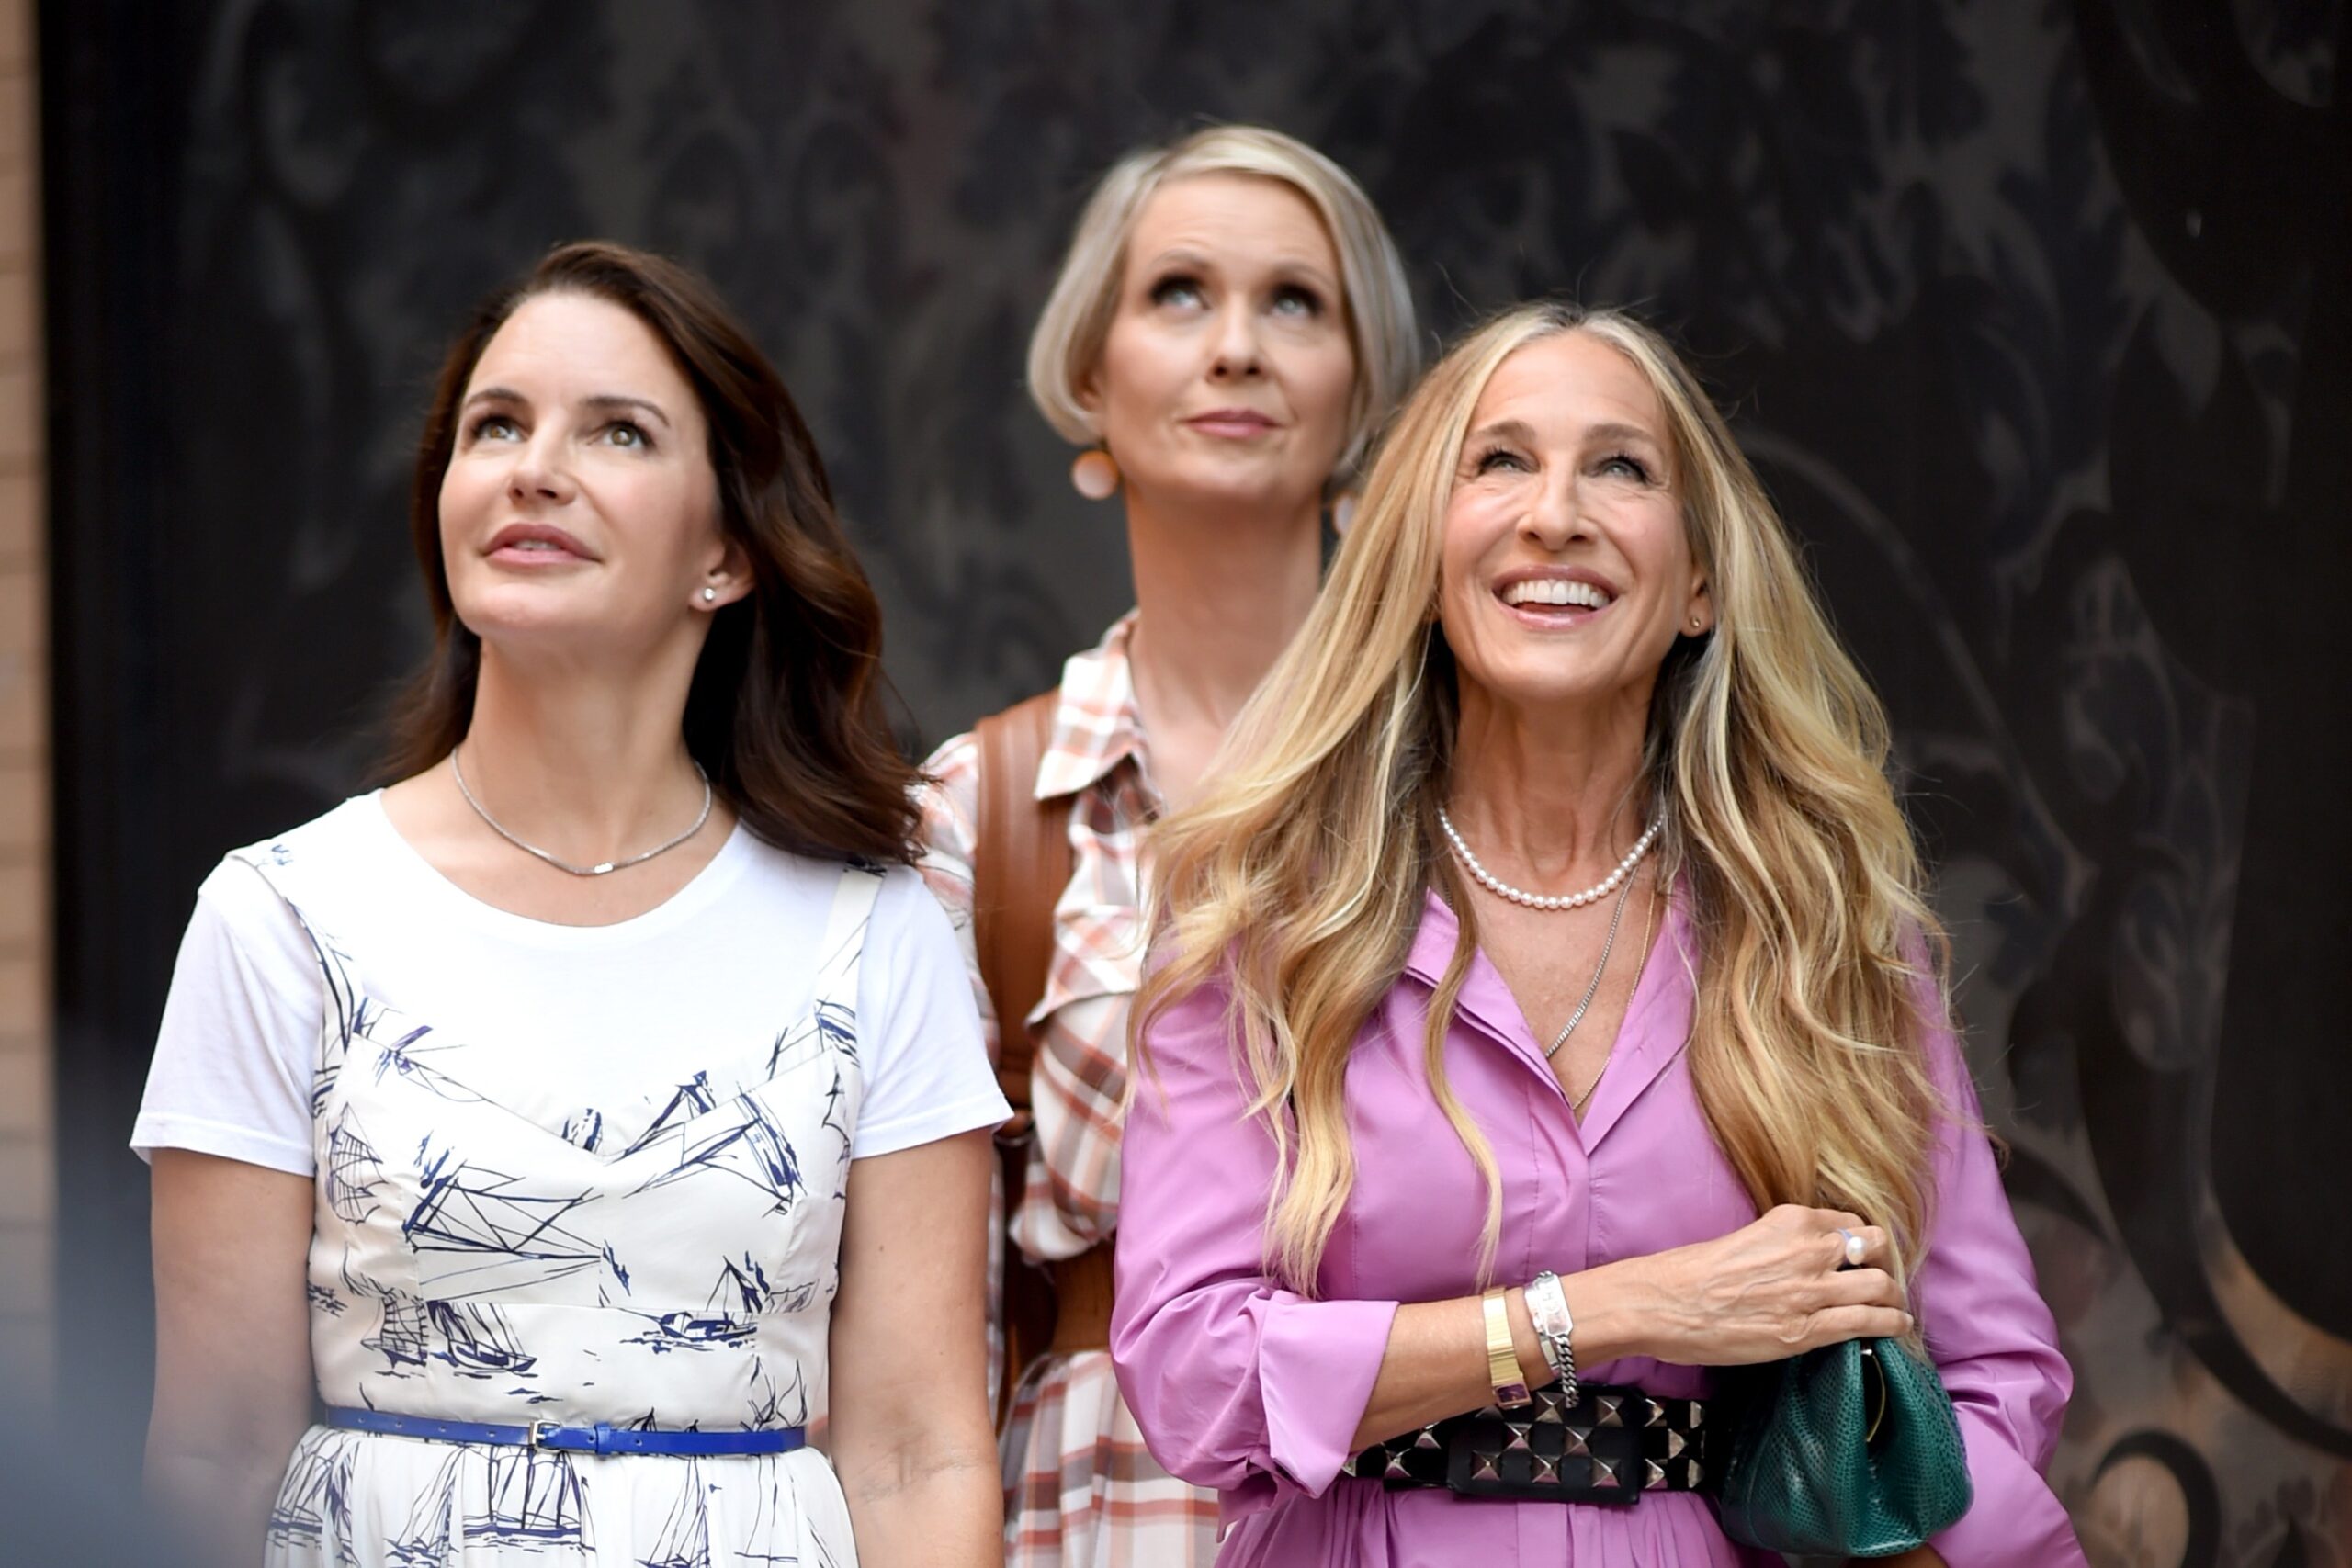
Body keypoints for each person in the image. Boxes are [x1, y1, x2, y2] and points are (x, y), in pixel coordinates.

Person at [1114, 303, 2086, 1565]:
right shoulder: (1266, 922)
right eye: (1499, 460)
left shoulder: (1830, 933)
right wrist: (1616, 1310)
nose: (1555, 513)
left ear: (1697, 582)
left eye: (1621, 466)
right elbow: (1191, 1371)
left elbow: (1994, 1371)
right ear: (1421, 556)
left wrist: (1920, 1525)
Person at [135, 242, 1008, 1568]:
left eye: (617, 432)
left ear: (727, 553)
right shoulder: (282, 917)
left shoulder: (877, 930)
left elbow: (915, 1452)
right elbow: (212, 1447)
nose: (533, 466)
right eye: (496, 426)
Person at [916, 125, 1419, 1566]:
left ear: (1366, 396)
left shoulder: (1475, 771)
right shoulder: (979, 809)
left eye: (1296, 304)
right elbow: (919, 1334)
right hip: (1103, 1507)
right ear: (1093, 375)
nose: (1239, 349)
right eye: (1181, 294)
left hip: (1438, 1490)